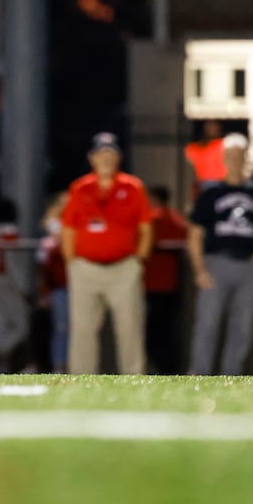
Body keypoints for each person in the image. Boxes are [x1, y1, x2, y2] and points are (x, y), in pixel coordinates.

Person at [62, 133, 151, 375]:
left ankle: (134, 379)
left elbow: (145, 227)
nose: (106, 159)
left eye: (111, 154)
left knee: (130, 327)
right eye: (101, 154)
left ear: (118, 157)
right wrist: (73, 262)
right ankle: (82, 379)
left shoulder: (132, 187)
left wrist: (138, 259)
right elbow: (68, 229)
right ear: (92, 158)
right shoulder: (80, 188)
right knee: (82, 329)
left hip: (123, 267)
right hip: (86, 268)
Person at [187, 134, 253, 375]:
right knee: (208, 324)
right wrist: (200, 270)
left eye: (239, 155)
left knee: (243, 326)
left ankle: (231, 374)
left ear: (245, 158)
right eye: (231, 156)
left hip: (247, 266)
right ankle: (199, 374)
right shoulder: (210, 192)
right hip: (216, 263)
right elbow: (195, 235)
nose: (235, 160)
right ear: (224, 158)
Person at [143, 185, 191, 375]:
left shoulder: (152, 219)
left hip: (151, 286)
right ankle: (167, 369)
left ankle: (161, 370)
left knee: (153, 334)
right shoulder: (177, 219)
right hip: (171, 287)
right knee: (169, 331)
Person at [0, 197, 30, 373]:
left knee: (0, 323)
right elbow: (12, 260)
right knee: (21, 326)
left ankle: (1, 366)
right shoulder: (9, 230)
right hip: (5, 280)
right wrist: (22, 286)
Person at [37, 192, 70, 373]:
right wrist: (44, 293)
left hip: (80, 285)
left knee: (80, 329)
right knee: (61, 328)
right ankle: (59, 365)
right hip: (59, 288)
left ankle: (78, 366)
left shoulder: (78, 225)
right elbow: (43, 270)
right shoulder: (52, 235)